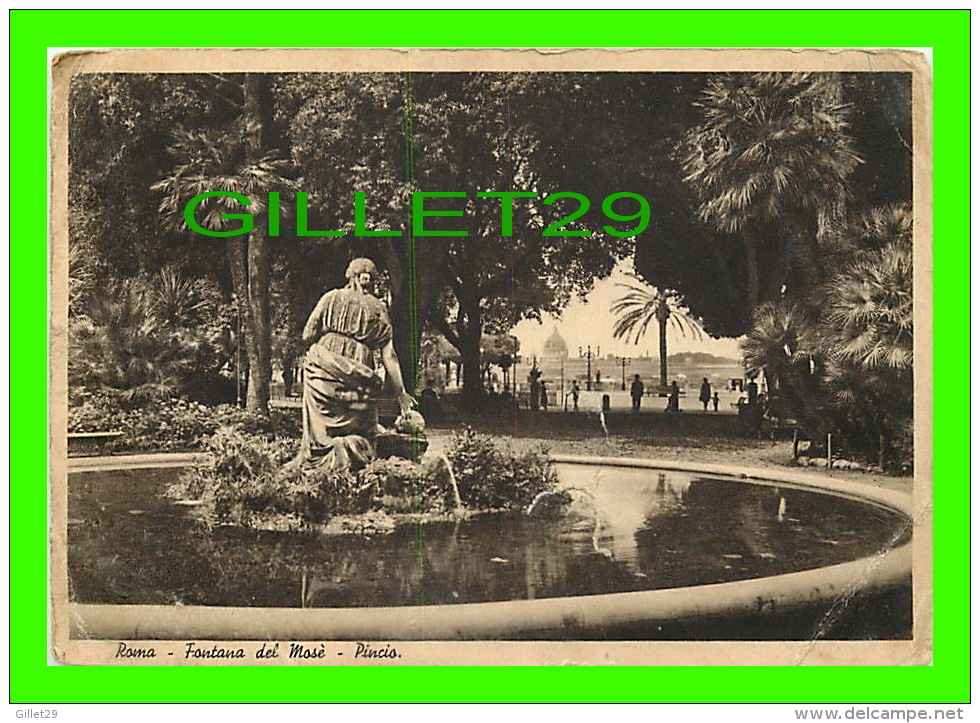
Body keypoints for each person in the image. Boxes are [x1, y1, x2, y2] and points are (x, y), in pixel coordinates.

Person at [291, 258, 412, 472]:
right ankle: (359, 468)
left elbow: (308, 333)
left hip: (324, 366)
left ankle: (319, 463)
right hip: (360, 367)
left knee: (321, 425)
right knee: (364, 424)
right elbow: (389, 355)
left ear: (351, 275)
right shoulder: (378, 308)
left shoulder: (330, 297)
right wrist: (401, 393)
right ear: (371, 280)